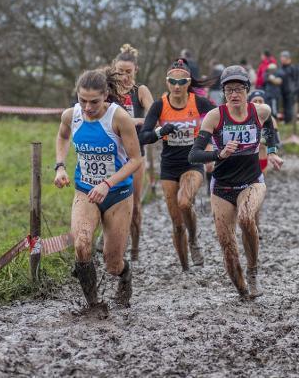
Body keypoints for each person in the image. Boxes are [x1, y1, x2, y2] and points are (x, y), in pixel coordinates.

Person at [188, 65, 283, 298]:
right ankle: (242, 288)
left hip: (252, 182)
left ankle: (253, 271)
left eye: (239, 89)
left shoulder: (260, 111)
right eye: (229, 90)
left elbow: (270, 125)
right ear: (223, 92)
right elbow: (194, 155)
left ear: (247, 90)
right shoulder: (215, 116)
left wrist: (271, 150)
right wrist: (218, 155)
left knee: (246, 217)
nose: (234, 94)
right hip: (221, 187)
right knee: (228, 249)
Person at [54, 67, 144, 309]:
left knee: (112, 263)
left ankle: (125, 277)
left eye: (93, 101)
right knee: (82, 245)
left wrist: (107, 183)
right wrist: (60, 166)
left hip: (118, 194)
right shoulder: (70, 115)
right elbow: (62, 136)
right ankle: (93, 305)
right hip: (85, 191)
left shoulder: (119, 118)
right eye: (82, 100)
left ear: (106, 95)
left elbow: (136, 160)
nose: (87, 107)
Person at [138, 59, 217, 271]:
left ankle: (193, 241)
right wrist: (160, 132)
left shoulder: (199, 102)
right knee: (176, 223)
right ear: (167, 82)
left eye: (181, 81)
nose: (177, 85)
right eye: (172, 81)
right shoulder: (159, 105)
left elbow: (221, 119)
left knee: (184, 202)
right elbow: (143, 136)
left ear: (188, 82)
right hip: (169, 167)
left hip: (193, 162)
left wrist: (210, 145)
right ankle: (184, 268)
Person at [111, 44, 154, 261]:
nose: (124, 76)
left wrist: (135, 121)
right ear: (113, 70)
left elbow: (155, 115)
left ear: (135, 70)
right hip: (111, 154)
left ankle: (135, 249)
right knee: (110, 200)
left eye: (128, 72)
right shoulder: (107, 92)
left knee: (135, 204)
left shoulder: (141, 91)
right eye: (120, 71)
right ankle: (111, 242)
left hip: (136, 154)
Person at [248, 89, 280, 175]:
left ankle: (262, 173)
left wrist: (273, 151)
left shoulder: (270, 118)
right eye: (255, 101)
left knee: (261, 144)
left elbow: (276, 140)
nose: (258, 103)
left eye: (260, 101)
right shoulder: (245, 115)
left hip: (261, 147)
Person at [279, 51, 298, 124]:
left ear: (287, 58)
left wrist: (294, 89)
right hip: (282, 90)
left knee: (289, 106)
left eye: (283, 57)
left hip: (290, 91)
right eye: (281, 57)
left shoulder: (292, 68)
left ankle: (289, 121)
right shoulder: (281, 68)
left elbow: (295, 79)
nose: (282, 59)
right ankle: (286, 120)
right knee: (284, 106)